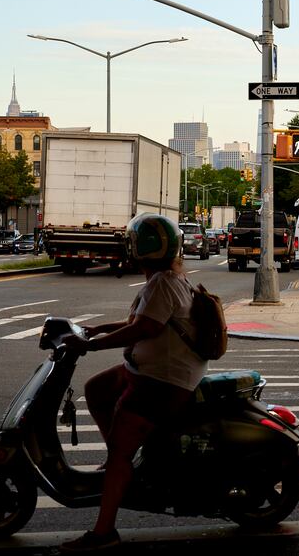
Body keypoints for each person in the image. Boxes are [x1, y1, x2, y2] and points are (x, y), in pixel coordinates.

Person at [60, 214, 206, 553]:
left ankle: (104, 530)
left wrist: (90, 345)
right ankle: (121, 456)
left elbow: (144, 330)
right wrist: (97, 329)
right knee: (97, 389)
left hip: (163, 381)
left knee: (120, 451)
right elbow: (138, 321)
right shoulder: (167, 279)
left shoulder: (162, 283)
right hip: (146, 370)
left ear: (141, 248)